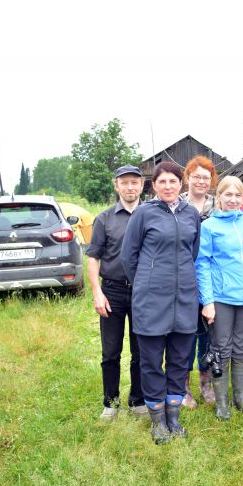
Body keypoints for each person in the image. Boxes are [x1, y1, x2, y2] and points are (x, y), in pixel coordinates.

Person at [121, 162, 201, 444]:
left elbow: (192, 252)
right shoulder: (144, 214)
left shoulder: (192, 214)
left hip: (185, 299)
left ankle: (174, 417)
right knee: (152, 362)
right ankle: (157, 421)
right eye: (162, 182)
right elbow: (129, 257)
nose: (168, 186)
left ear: (182, 183)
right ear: (153, 186)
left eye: (173, 181)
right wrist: (148, 281)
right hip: (151, 300)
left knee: (180, 361)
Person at [195, 176, 243, 420]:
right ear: (219, 197)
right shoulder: (209, 226)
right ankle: (222, 401)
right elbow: (201, 264)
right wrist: (208, 301)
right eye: (228, 195)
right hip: (221, 297)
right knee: (221, 347)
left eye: (237, 195)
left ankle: (241, 397)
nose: (233, 200)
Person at [86, 165, 147, 421]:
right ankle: (110, 403)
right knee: (110, 352)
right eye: (125, 183)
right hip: (112, 290)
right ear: (116, 186)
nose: (130, 187)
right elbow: (92, 257)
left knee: (141, 350)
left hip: (144, 291)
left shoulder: (151, 215)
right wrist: (97, 292)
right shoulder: (104, 218)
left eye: (135, 182)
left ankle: (138, 400)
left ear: (142, 185)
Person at [179, 155, 218, 409]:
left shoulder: (218, 205)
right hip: (182, 277)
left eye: (206, 177)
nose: (202, 181)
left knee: (208, 333)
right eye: (197, 177)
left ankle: (206, 383)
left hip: (212, 276)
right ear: (188, 178)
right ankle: (183, 386)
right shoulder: (177, 204)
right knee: (184, 334)